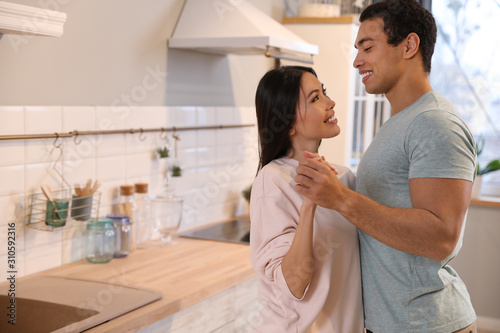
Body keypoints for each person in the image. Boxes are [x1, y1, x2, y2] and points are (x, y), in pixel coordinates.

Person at [294, 1, 477, 332]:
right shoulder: (402, 121)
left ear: (409, 46)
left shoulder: (434, 122)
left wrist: (342, 199)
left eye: (367, 46)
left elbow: (441, 237)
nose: (356, 61)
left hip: (427, 324)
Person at [249, 66, 364, 332]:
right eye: (315, 98)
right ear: (288, 123)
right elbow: (294, 285)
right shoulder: (273, 179)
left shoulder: (343, 179)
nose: (330, 103)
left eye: (324, 92)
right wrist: (309, 204)